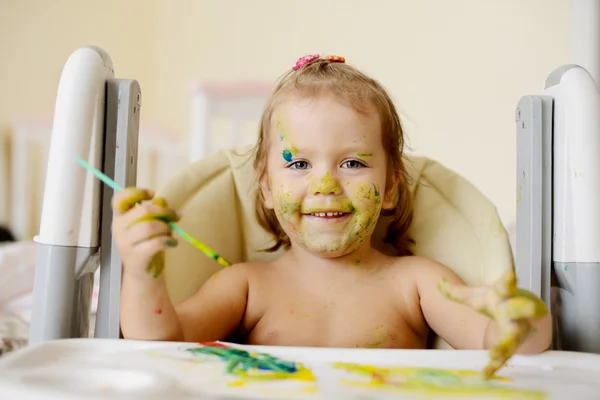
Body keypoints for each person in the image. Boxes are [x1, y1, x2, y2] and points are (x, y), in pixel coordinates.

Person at [113, 54, 551, 379]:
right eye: (299, 165)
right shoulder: (247, 286)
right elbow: (158, 346)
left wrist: (522, 320)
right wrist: (141, 273)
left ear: (392, 188)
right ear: (266, 188)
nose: (325, 185)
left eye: (352, 164)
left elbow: (510, 349)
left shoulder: (416, 283)